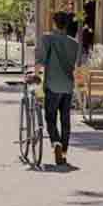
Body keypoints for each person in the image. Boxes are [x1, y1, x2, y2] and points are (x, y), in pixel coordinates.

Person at [35, 11, 80, 166]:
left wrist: (35, 75)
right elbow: (76, 65)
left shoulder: (47, 38)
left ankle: (56, 142)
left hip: (52, 85)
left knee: (50, 117)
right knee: (65, 119)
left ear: (54, 23)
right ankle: (64, 151)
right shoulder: (74, 43)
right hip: (68, 86)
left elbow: (40, 61)